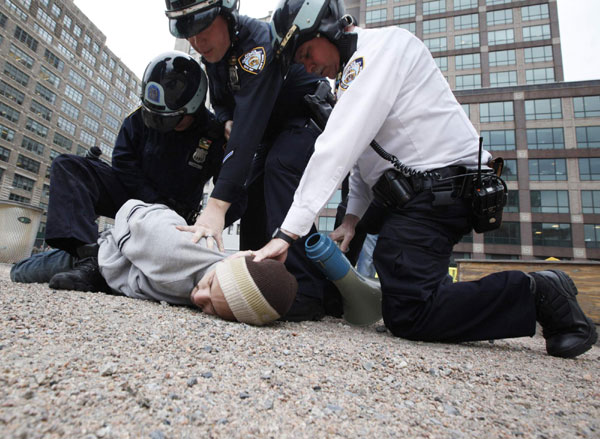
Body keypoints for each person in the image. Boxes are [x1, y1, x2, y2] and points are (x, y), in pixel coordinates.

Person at [254, 0, 598, 358]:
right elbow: (363, 155)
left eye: (307, 53)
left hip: (443, 190)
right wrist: (353, 219)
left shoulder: (383, 49)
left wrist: (286, 233)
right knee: (394, 274)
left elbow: (337, 145)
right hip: (418, 194)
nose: (309, 66)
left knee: (411, 314)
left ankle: (540, 293)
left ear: (327, 28)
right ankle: (337, 297)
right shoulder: (352, 76)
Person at [164, 0, 340, 320]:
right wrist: (227, 118)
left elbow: (251, 121)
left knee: (279, 167)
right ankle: (258, 279)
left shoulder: (257, 45)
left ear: (225, 14)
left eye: (203, 29)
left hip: (306, 119)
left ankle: (310, 291)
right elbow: (222, 104)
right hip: (269, 133)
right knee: (253, 190)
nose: (197, 42)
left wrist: (216, 207)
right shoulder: (214, 58)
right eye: (188, 35)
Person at [12, 51, 226, 291]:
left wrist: (207, 224)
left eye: (170, 120)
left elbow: (231, 190)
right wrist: (150, 201)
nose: (161, 126)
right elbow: (123, 163)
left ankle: (105, 262)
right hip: (132, 196)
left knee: (25, 271)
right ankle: (87, 256)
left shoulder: (215, 134)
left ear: (193, 108)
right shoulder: (137, 119)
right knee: (68, 166)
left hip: (173, 219)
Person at [97, 199, 297, 326]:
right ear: (229, 260)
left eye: (214, 309)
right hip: (100, 249)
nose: (199, 297)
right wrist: (117, 249)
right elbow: (132, 208)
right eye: (210, 284)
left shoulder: (219, 281)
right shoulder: (172, 248)